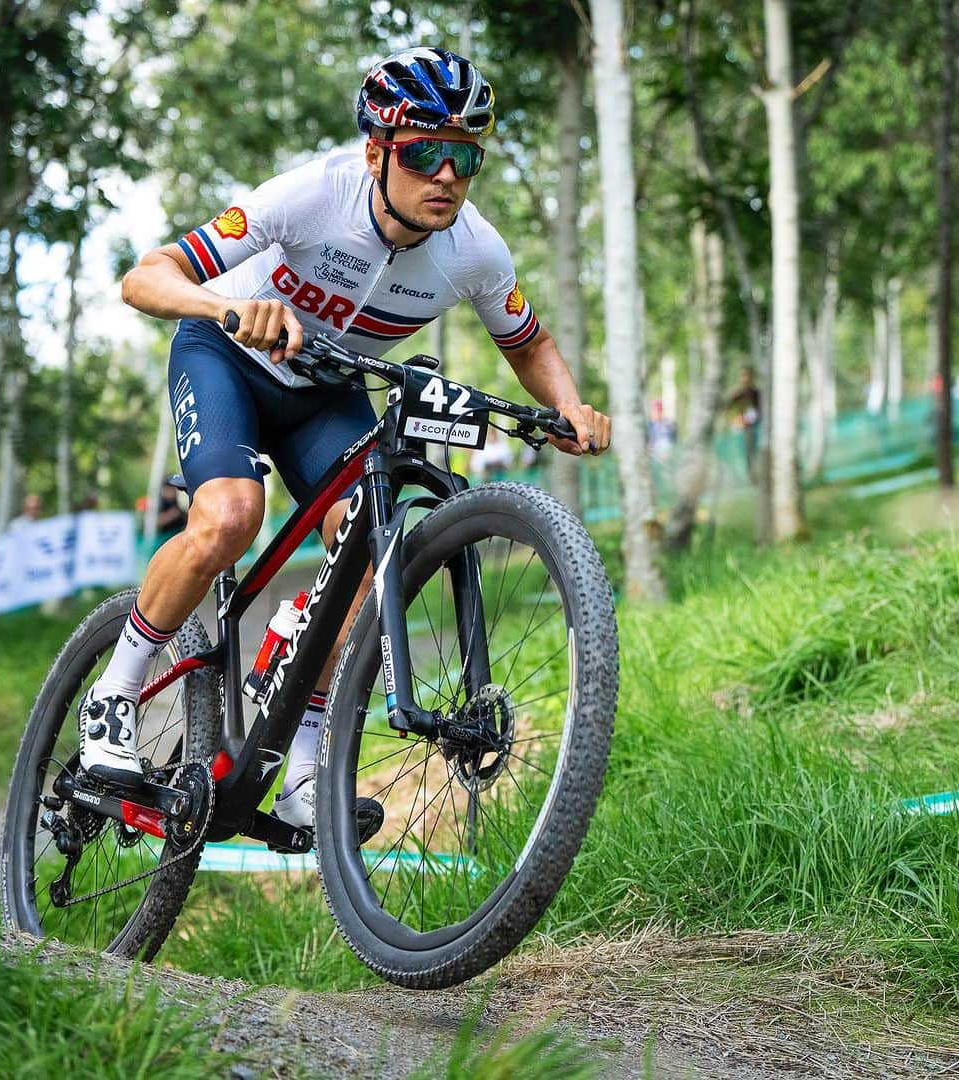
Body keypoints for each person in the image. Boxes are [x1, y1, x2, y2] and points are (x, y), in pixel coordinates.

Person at [79, 47, 612, 828]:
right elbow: (145, 276)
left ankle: (301, 756)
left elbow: (526, 343)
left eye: (465, 157)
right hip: (228, 355)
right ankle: (112, 697)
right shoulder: (311, 196)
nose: (447, 177)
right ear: (376, 152)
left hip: (327, 390)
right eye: (425, 152)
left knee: (372, 550)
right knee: (229, 517)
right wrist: (224, 309)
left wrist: (572, 408)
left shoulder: (475, 250)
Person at [726, 366, 761, 481]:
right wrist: (736, 419)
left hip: (754, 429)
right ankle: (741, 476)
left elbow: (760, 411)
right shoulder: (737, 394)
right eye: (743, 376)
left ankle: (753, 476)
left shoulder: (756, 393)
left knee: (752, 453)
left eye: (747, 375)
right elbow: (728, 408)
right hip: (740, 429)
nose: (745, 378)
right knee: (739, 453)